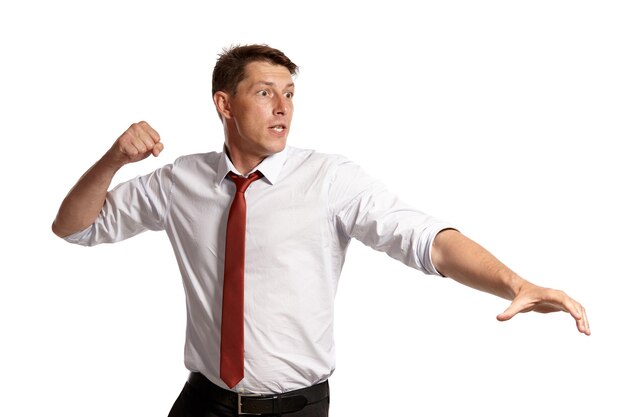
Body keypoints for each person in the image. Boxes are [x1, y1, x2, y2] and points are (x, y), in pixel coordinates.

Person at [52, 44, 590, 417]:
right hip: (204, 405)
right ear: (224, 104)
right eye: (265, 93)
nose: (283, 107)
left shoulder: (329, 180)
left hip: (298, 412)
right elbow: (72, 228)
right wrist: (114, 159)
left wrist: (513, 282)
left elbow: (424, 239)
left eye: (289, 93)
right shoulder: (178, 183)